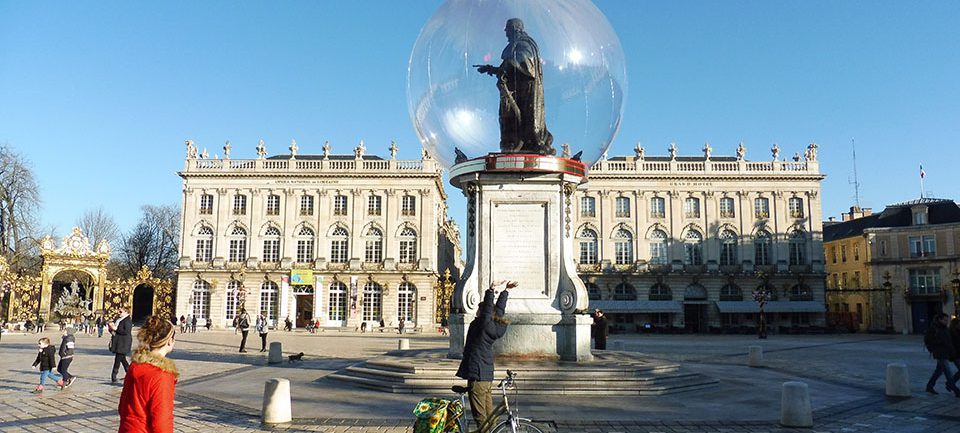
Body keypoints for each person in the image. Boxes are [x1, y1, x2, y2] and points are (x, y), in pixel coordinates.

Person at [475, 18, 554, 155]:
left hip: (526, 90)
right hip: (515, 89)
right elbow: (508, 67)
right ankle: (515, 144)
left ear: (515, 29)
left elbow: (524, 63)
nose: (506, 33)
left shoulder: (524, 44)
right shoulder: (516, 45)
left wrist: (505, 66)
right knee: (510, 117)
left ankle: (532, 144)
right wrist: (490, 69)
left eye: (508, 30)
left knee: (527, 118)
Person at [456, 280, 515, 429]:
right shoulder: (495, 327)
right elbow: (498, 311)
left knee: (480, 417)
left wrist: (491, 290)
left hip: (477, 375)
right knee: (491, 417)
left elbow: (489, 311)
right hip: (487, 376)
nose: (476, 312)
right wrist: (505, 292)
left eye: (478, 310)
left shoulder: (483, 325)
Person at [118, 316, 178, 433]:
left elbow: (122, 406)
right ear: (170, 341)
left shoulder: (135, 366)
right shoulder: (162, 375)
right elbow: (162, 421)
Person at [924, 312, 960, 396]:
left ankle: (929, 386)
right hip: (939, 353)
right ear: (939, 319)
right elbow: (928, 340)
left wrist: (952, 352)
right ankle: (956, 390)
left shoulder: (945, 329)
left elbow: (949, 342)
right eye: (944, 320)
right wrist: (939, 343)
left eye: (947, 320)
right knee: (948, 371)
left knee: (939, 371)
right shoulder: (933, 328)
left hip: (946, 353)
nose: (946, 322)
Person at [108, 307, 133, 384]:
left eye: (120, 311)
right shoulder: (118, 319)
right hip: (118, 341)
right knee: (122, 359)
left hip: (123, 342)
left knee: (118, 359)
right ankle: (130, 374)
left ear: (126, 312)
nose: (119, 313)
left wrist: (116, 329)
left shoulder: (127, 320)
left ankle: (114, 376)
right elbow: (115, 329)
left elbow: (126, 331)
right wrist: (111, 329)